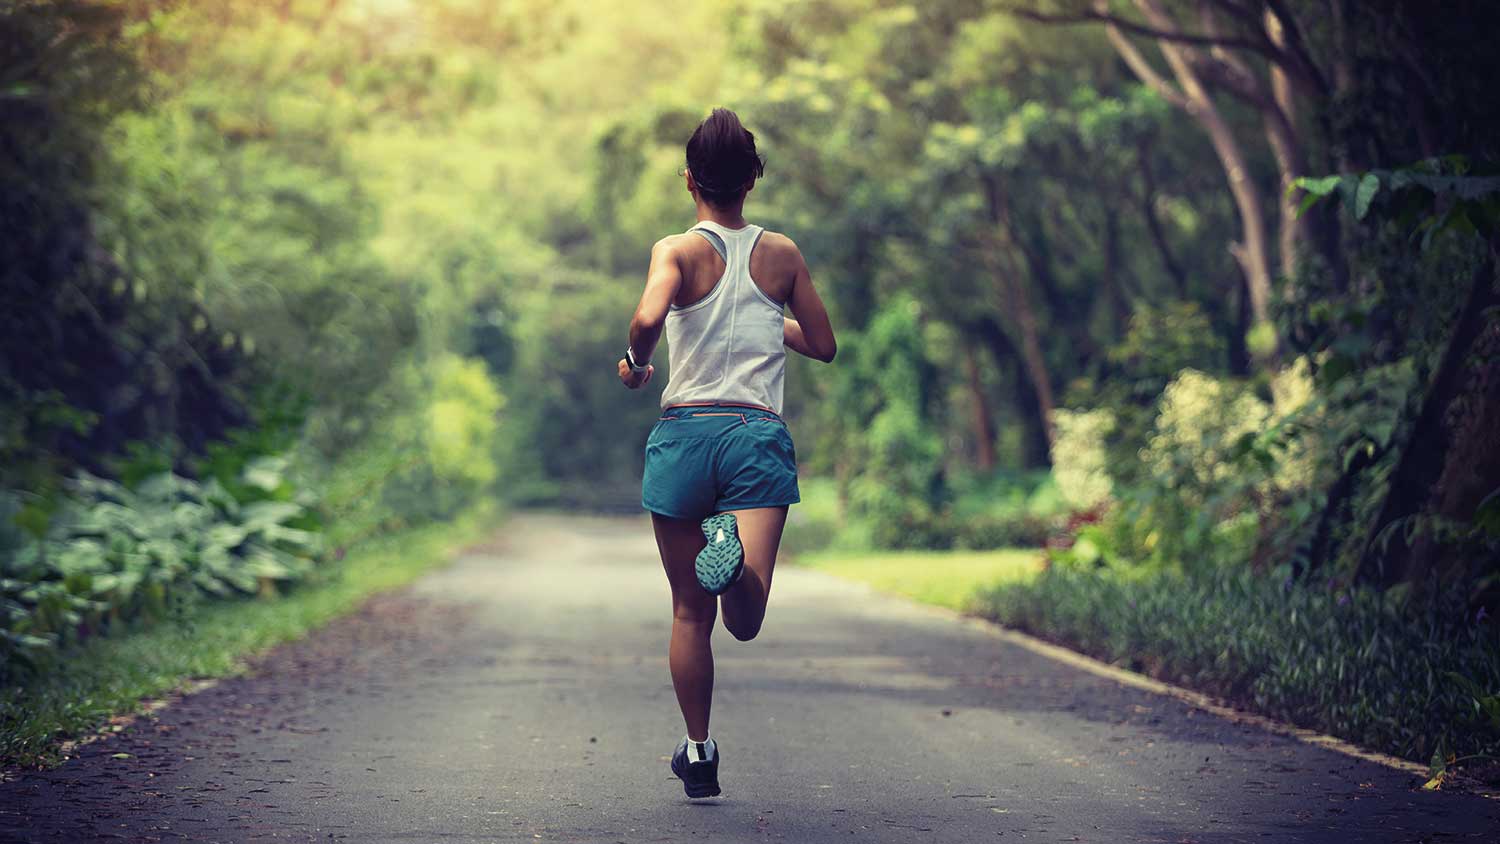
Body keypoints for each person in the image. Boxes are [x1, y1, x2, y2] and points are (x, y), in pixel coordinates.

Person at [617, 107, 837, 799]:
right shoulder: (783, 255)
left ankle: (699, 752)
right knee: (744, 620)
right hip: (754, 436)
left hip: (685, 435)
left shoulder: (676, 251)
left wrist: (636, 361)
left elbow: (650, 317)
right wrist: (774, 320)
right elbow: (825, 345)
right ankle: (734, 564)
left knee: (689, 613)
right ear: (754, 178)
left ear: (690, 181)